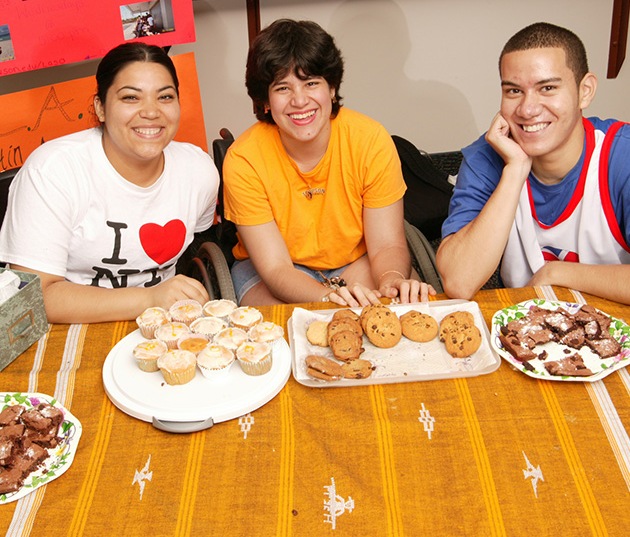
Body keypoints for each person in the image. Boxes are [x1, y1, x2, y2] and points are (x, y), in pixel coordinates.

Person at [437, 22, 630, 315]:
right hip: (530, 339)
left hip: (625, 330)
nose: (527, 109)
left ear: (584, 92)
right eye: (513, 91)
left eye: (547, 88)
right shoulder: (487, 158)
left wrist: (559, 274)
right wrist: (515, 171)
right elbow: (459, 282)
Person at [0, 42, 219, 323]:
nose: (151, 112)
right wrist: (149, 298)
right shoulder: (53, 170)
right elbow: (34, 297)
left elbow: (198, 240)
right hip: (69, 326)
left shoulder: (199, 171)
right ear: (100, 108)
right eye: (130, 98)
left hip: (165, 326)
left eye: (165, 97)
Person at [222, 19, 436, 308]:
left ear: (332, 88)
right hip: (273, 272)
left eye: (311, 83)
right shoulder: (243, 159)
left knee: (392, 305)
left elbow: (386, 245)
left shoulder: (370, 139)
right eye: (283, 88)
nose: (299, 100)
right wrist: (329, 298)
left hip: (356, 263)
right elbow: (275, 269)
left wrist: (391, 278)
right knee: (283, 328)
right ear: (265, 100)